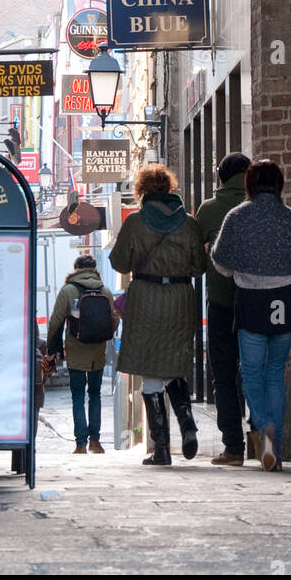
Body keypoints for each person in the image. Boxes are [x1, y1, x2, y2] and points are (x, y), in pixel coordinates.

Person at [211, 159, 291, 472]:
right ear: (279, 184)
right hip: (285, 299)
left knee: (252, 373)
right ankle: (275, 447)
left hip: (252, 301)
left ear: (250, 185)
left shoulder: (236, 217)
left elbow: (221, 263)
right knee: (275, 373)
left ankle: (264, 425)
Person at [109, 164, 206, 466]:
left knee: (150, 369)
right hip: (180, 299)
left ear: (142, 191)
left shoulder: (137, 222)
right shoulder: (188, 223)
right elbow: (200, 265)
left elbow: (120, 263)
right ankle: (187, 422)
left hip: (146, 297)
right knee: (174, 363)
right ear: (169, 189)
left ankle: (161, 448)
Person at [196, 151, 251, 466]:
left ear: (221, 177)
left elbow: (197, 258)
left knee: (224, 375)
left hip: (220, 302)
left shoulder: (210, 209)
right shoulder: (258, 206)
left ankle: (234, 447)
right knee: (259, 372)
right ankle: (262, 440)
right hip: (258, 300)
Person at [46, 254, 119, 455]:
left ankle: (81, 444)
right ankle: (95, 441)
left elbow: (55, 323)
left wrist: (54, 350)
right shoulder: (104, 290)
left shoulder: (69, 290)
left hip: (76, 350)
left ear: (76, 269)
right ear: (94, 269)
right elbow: (114, 321)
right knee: (95, 395)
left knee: (78, 396)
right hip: (98, 352)